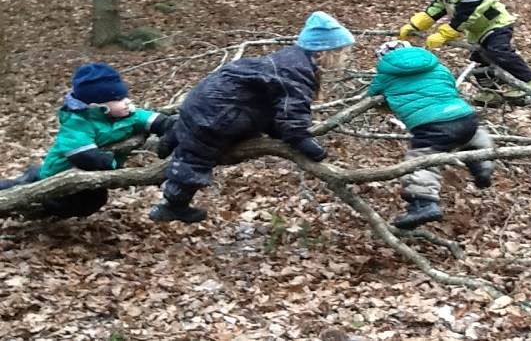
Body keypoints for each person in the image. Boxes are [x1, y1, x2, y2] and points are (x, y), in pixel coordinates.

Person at [149, 11, 355, 223]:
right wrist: (303, 141)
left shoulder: (291, 59)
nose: (346, 58)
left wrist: (281, 132)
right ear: (327, 51)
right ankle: (173, 205)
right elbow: (291, 112)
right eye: (343, 53)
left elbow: (273, 106)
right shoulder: (296, 70)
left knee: (193, 133)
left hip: (207, 104)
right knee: (197, 156)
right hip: (217, 114)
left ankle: (173, 136)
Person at [0, 63, 174, 218]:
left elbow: (150, 119)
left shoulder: (126, 116)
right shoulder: (77, 122)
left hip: (88, 176)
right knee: (54, 200)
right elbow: (83, 154)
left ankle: (36, 206)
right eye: (119, 99)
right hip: (57, 174)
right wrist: (111, 164)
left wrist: (166, 128)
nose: (127, 102)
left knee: (93, 201)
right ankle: (30, 201)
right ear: (98, 107)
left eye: (125, 97)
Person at [366, 40, 495, 230]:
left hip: (431, 124)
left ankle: (423, 203)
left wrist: (388, 105)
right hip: (463, 114)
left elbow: (373, 98)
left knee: (421, 159)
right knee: (471, 136)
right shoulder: (437, 66)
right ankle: (482, 165)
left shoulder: (384, 75)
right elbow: (450, 83)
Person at [398, 0, 531, 106]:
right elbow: (436, 8)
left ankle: (529, 83)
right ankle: (491, 91)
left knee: (499, 51)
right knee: (478, 58)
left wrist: (443, 35)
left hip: (496, 25)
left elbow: (463, 18)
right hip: (477, 31)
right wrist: (415, 25)